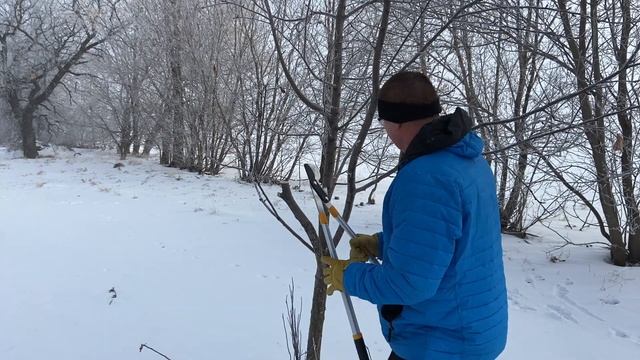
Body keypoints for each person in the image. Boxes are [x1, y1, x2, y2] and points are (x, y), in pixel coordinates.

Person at [321, 71, 508, 360]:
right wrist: (383, 243)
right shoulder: (467, 161)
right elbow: (449, 239)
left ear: (395, 122)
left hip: (442, 342)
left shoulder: (426, 177)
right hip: (472, 330)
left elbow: (409, 284)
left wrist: (348, 276)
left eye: (382, 122)